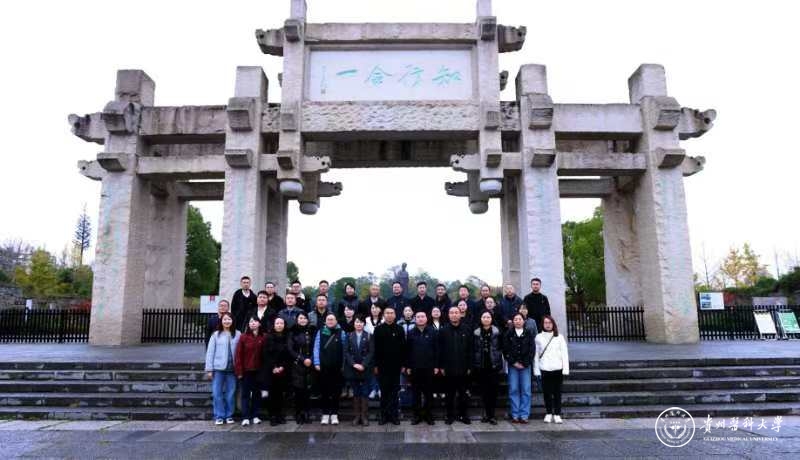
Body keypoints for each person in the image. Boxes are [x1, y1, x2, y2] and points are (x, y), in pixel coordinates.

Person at [438, 306, 473, 425]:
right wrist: (441, 366)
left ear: (460, 314)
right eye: (451, 313)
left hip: (464, 368)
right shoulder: (443, 330)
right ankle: (450, 416)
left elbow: (471, 349)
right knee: (449, 394)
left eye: (456, 312)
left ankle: (463, 415)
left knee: (463, 393)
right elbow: (440, 350)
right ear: (448, 315)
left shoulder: (467, 329)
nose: (454, 315)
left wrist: (470, 366)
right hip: (448, 368)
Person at [204, 312, 240, 425]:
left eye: (229, 319)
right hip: (218, 368)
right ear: (221, 321)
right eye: (225, 319)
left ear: (232, 321)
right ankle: (219, 416)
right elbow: (210, 352)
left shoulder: (238, 334)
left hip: (232, 369)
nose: (227, 321)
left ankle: (229, 415)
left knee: (230, 393)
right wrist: (209, 369)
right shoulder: (216, 335)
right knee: (217, 393)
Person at [372, 307, 406, 425]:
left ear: (395, 315)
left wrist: (403, 364)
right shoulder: (378, 329)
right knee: (384, 391)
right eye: (387, 313)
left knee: (394, 391)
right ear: (383, 315)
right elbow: (375, 349)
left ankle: (394, 416)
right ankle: (384, 416)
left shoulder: (399, 329)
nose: (389, 315)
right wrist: (375, 365)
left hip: (396, 366)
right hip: (382, 366)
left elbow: (403, 348)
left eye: (392, 313)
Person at [534, 315, 570, 424]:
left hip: (557, 368)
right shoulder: (538, 337)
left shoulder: (559, 337)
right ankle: (549, 413)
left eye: (550, 322)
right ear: (542, 324)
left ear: (553, 324)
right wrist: (536, 370)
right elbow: (536, 355)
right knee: (547, 393)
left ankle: (557, 414)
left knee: (557, 393)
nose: (548, 325)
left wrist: (565, 369)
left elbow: (564, 354)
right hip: (544, 368)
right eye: (545, 323)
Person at [313, 313, 347, 425]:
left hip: (337, 368)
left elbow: (345, 350)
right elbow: (316, 348)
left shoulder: (341, 332)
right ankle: (325, 414)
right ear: (325, 321)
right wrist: (316, 362)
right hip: (323, 367)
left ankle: (334, 414)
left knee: (336, 392)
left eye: (332, 319)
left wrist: (343, 365)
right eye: (328, 319)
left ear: (336, 321)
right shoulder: (320, 332)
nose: (330, 321)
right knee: (325, 391)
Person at [405, 311, 438, 425]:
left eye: (422, 316)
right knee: (416, 393)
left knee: (429, 393)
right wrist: (408, 366)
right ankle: (417, 416)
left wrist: (436, 365)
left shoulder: (433, 332)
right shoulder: (411, 332)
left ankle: (429, 415)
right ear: (415, 319)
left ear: (426, 318)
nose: (420, 318)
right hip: (415, 368)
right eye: (418, 317)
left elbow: (437, 350)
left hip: (429, 367)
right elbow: (407, 351)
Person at [473, 311, 503, 424]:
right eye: (484, 317)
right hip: (481, 366)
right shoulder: (476, 332)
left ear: (491, 318)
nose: (486, 319)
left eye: (488, 317)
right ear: (481, 319)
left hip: (493, 366)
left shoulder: (497, 332)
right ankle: (486, 414)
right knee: (484, 392)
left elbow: (501, 347)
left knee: (493, 392)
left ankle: (492, 415)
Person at [504, 313, 534, 424]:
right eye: (515, 319)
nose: (517, 321)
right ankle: (515, 414)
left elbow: (532, 350)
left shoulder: (528, 333)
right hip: (513, 366)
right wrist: (514, 362)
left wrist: (525, 363)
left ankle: (524, 415)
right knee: (514, 389)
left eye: (519, 319)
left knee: (526, 389)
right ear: (513, 321)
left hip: (525, 366)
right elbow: (506, 350)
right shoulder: (509, 334)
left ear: (524, 321)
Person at [344, 317, 374, 426]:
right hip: (353, 368)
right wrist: (354, 364)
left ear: (364, 324)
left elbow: (371, 352)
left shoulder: (369, 336)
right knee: (356, 392)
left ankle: (364, 416)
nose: (359, 324)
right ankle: (357, 416)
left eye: (361, 322)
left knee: (365, 392)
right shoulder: (349, 336)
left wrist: (363, 364)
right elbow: (346, 352)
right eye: (357, 322)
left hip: (365, 368)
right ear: (354, 324)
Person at [235, 316, 265, 426]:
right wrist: (239, 371)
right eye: (251, 321)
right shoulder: (243, 337)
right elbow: (238, 355)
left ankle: (255, 415)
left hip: (259, 371)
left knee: (257, 394)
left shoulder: (263, 337)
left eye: (255, 321)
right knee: (245, 394)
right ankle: (246, 416)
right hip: (246, 370)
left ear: (259, 323)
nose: (253, 323)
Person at [261, 317, 291, 425]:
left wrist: (282, 366)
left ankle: (279, 415)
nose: (279, 325)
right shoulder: (268, 337)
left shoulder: (287, 337)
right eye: (277, 323)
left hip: (283, 369)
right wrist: (274, 367)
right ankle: (272, 416)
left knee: (280, 393)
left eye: (281, 323)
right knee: (272, 394)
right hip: (271, 370)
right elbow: (266, 354)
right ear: (274, 325)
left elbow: (288, 354)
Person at [288, 312, 316, 424]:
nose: (303, 320)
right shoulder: (292, 332)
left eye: (305, 318)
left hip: (310, 364)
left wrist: (311, 359)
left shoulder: (312, 331)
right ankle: (298, 414)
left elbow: (316, 347)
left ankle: (306, 413)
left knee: (307, 391)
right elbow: (290, 349)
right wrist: (303, 359)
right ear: (297, 319)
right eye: (300, 318)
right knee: (298, 391)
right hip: (297, 365)